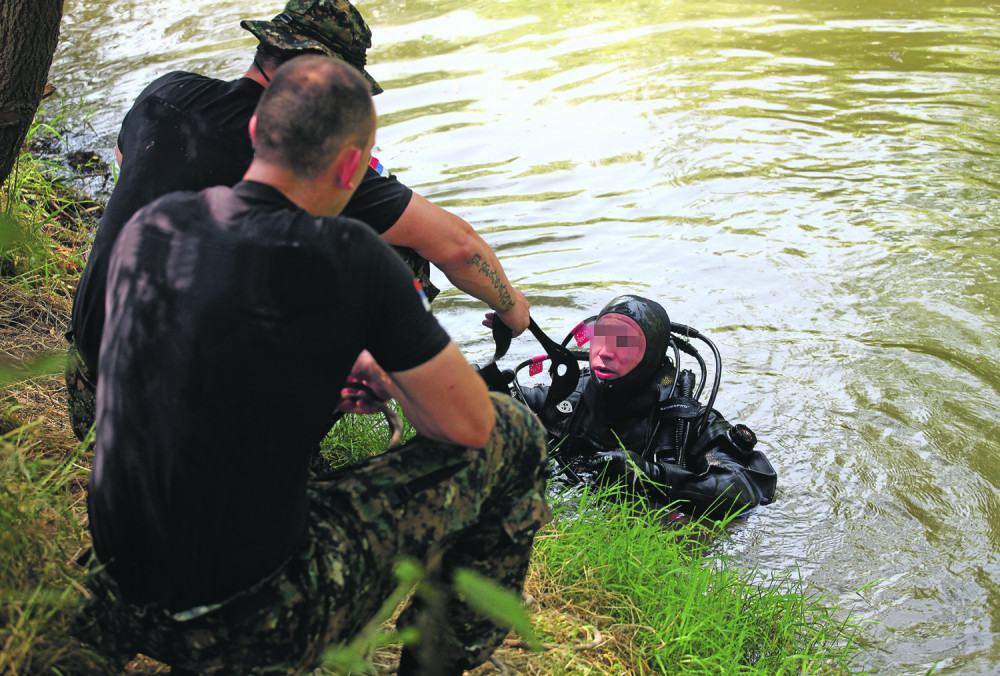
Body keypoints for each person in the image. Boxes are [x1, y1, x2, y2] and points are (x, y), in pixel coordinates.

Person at [73, 55, 551, 676]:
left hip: (121, 585)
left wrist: (322, 367)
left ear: (255, 133)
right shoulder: (350, 256)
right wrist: (404, 384)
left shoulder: (154, 227)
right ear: (354, 165)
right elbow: (469, 428)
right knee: (514, 433)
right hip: (251, 621)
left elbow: (197, 363)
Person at [65, 0, 530, 441]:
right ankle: (285, 448)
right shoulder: (305, 155)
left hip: (91, 394)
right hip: (191, 430)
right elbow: (457, 246)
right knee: (401, 257)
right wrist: (513, 309)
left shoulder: (166, 93)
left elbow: (128, 159)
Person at [513, 295, 777, 519]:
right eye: (602, 338)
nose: (605, 352)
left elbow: (748, 486)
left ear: (654, 357)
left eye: (624, 343)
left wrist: (652, 476)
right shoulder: (567, 397)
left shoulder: (686, 422)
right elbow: (509, 405)